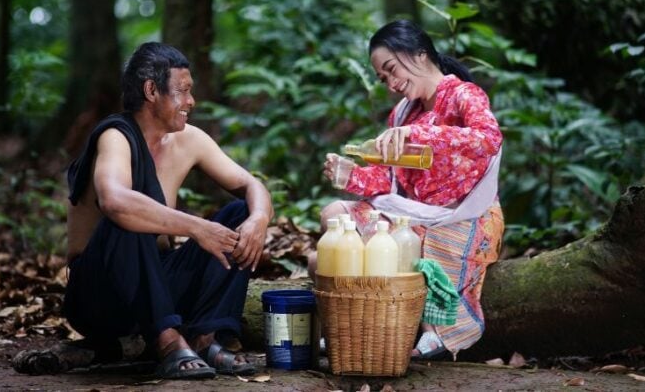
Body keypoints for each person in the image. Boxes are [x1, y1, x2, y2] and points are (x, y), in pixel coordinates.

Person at [62, 42, 273, 380]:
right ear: (151, 90)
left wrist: (259, 219)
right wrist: (197, 228)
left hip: (157, 285)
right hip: (99, 296)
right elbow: (115, 201)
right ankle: (168, 342)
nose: (191, 101)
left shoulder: (189, 139)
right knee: (128, 216)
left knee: (238, 213)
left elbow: (253, 186)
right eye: (184, 91)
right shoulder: (116, 136)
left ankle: (206, 337)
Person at [315, 20, 504, 359]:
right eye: (383, 78)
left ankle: (426, 331)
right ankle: (356, 321)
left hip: (462, 212)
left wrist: (421, 135)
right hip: (413, 210)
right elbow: (391, 180)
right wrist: (351, 176)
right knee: (333, 214)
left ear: (419, 54)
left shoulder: (463, 94)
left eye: (390, 69)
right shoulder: (402, 113)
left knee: (410, 242)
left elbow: (488, 139)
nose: (390, 84)